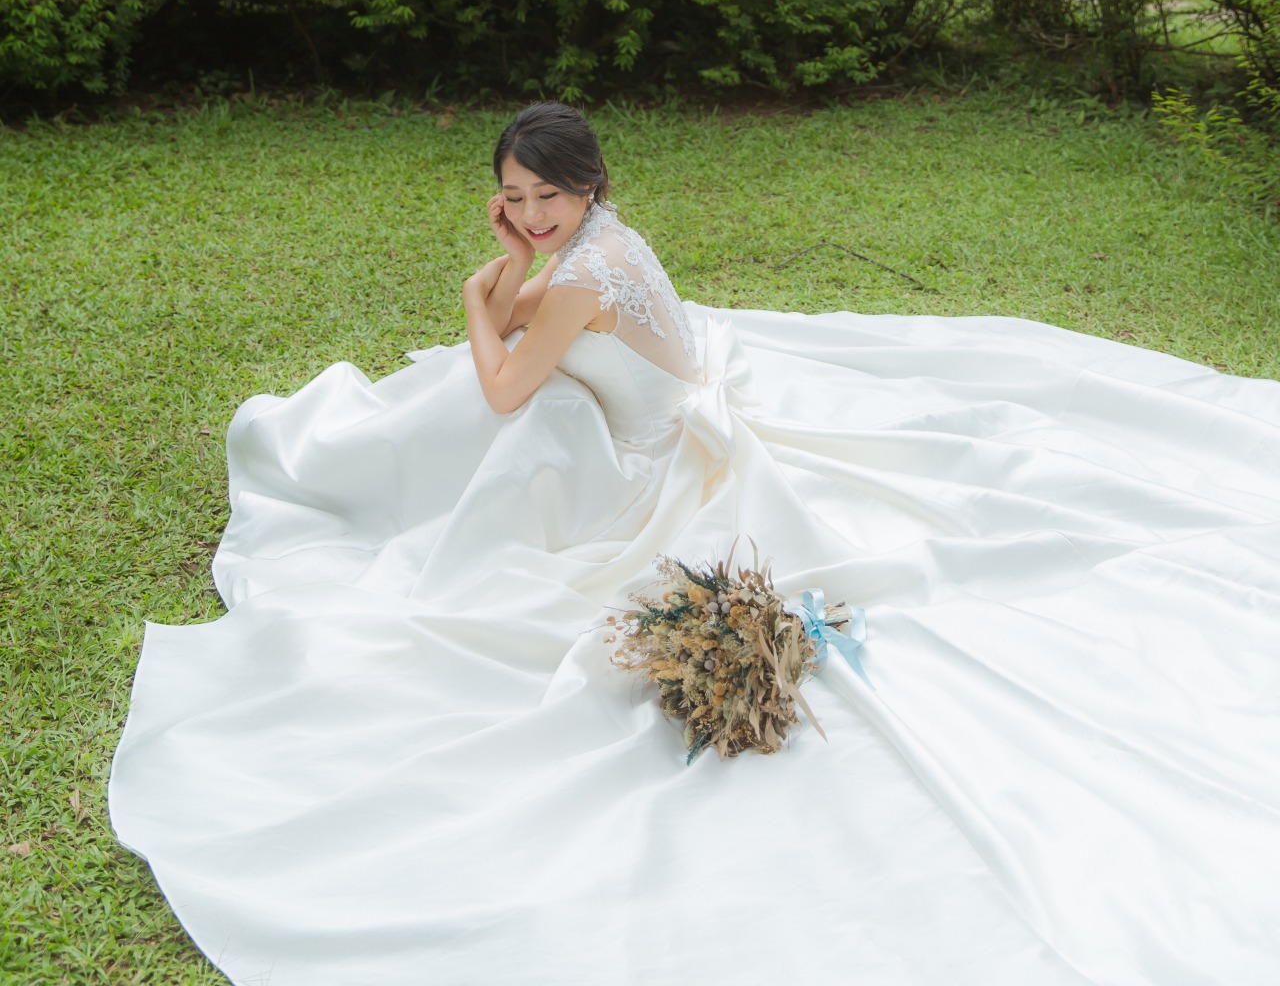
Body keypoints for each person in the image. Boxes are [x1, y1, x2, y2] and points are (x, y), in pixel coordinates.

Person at [110, 102, 1280, 986]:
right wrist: (518, 264)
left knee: (497, 410)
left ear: (590, 189)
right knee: (485, 402)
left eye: (547, 197)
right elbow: (532, 320)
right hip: (658, 410)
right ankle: (366, 473)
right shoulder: (601, 242)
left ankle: (356, 488)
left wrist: (481, 290)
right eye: (511, 196)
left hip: (645, 464)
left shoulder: (579, 276)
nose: (530, 214)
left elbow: (507, 374)